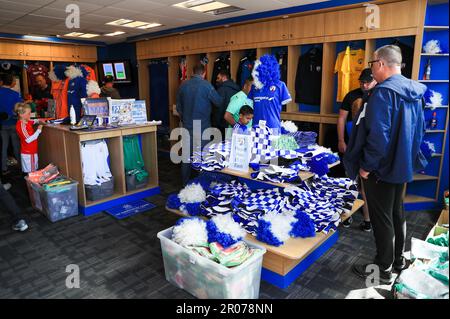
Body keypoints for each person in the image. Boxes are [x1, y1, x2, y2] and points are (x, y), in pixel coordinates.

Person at [346, 45, 427, 284]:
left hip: (380, 169)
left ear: (380, 64)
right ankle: (398, 259)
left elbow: (378, 136)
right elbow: (419, 131)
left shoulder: (383, 93)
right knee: (396, 213)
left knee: (382, 218)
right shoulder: (413, 91)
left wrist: (367, 167)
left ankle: (383, 268)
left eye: (372, 63)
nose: (371, 68)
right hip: (401, 165)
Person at [337, 68, 377, 231]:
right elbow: (341, 118)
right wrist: (340, 140)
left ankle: (367, 220)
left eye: (368, 82)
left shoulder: (379, 95)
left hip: (369, 149)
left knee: (365, 187)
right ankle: (347, 215)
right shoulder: (352, 95)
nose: (365, 85)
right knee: (350, 184)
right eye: (362, 82)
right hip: (352, 147)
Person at [176, 63, 223, 185]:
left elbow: (179, 108)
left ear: (192, 71)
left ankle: (184, 184)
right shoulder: (207, 86)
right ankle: (201, 185)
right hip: (203, 127)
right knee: (203, 157)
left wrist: (184, 118)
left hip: (187, 126)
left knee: (186, 158)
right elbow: (218, 102)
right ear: (204, 73)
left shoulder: (183, 85)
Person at [0, 74, 22, 174]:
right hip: (13, 123)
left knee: (3, 147)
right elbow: (19, 109)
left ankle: (3, 168)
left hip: (2, 125)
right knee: (16, 146)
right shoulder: (15, 94)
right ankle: (21, 167)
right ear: (11, 82)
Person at [15, 103, 43, 173]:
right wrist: (39, 130)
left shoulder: (26, 122)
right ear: (21, 115)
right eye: (28, 113)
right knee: (32, 173)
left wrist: (38, 120)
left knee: (32, 172)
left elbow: (33, 121)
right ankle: (31, 184)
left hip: (31, 152)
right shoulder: (21, 125)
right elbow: (28, 140)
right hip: (29, 153)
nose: (30, 115)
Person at [213, 70, 240, 139]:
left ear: (224, 77)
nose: (216, 80)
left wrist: (215, 123)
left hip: (222, 124)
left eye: (218, 78)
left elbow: (218, 108)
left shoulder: (221, 90)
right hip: (233, 122)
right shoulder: (237, 89)